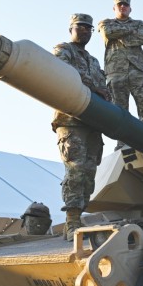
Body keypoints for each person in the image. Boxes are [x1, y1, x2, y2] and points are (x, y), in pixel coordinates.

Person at [52, 13, 110, 241]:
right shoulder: (63, 50)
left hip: (93, 123)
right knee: (75, 171)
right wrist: (95, 87)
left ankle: (80, 215)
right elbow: (64, 71)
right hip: (71, 119)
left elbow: (104, 88)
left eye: (89, 28)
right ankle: (72, 222)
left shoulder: (94, 61)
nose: (85, 31)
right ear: (71, 29)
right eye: (81, 27)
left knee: (89, 172)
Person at [98, 0, 143, 119]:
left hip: (138, 70)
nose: (122, 7)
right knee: (118, 111)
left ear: (130, 9)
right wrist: (131, 31)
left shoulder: (140, 24)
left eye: (125, 5)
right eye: (120, 5)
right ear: (114, 8)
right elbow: (108, 33)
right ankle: (123, 139)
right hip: (115, 71)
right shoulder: (106, 23)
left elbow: (142, 38)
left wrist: (119, 33)